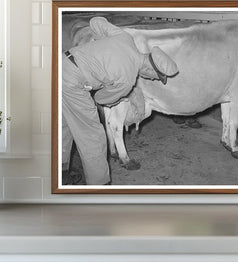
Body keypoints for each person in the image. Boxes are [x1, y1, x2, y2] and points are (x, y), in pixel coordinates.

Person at [62, 16, 179, 186]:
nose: (153, 80)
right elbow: (100, 99)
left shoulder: (126, 39)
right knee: (93, 136)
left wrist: (102, 50)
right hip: (72, 83)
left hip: (61, 62)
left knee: (66, 124)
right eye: (156, 77)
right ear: (149, 68)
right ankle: (99, 186)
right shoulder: (128, 79)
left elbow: (96, 21)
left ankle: (61, 171)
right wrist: (118, 93)